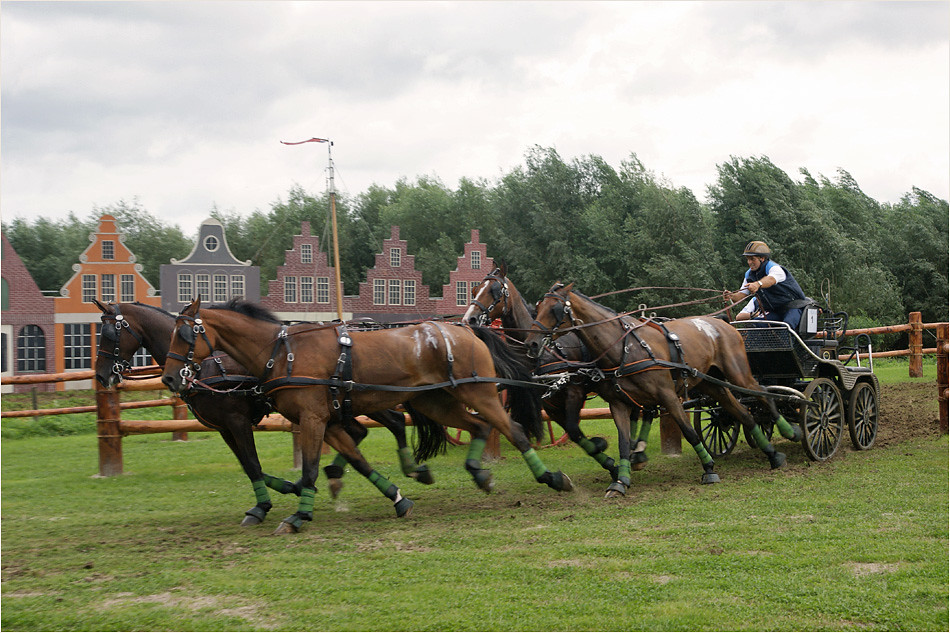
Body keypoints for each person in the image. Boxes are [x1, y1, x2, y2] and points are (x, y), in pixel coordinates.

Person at [725, 241, 808, 329]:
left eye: (752, 259)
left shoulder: (775, 268)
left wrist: (758, 284)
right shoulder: (749, 275)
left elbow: (771, 279)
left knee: (787, 326)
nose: (749, 262)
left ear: (762, 258)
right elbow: (740, 295)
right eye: (748, 259)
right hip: (774, 311)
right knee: (755, 325)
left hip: (793, 307)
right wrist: (731, 296)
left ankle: (788, 342)